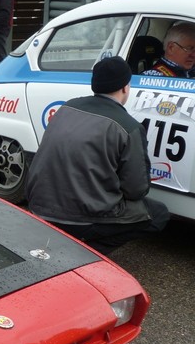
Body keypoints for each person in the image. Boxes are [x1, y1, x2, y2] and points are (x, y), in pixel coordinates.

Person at [26, 56, 169, 254]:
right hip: (83, 217)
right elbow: (136, 189)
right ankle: (87, 253)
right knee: (159, 214)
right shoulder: (129, 127)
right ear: (126, 87)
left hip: (38, 207)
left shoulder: (66, 107)